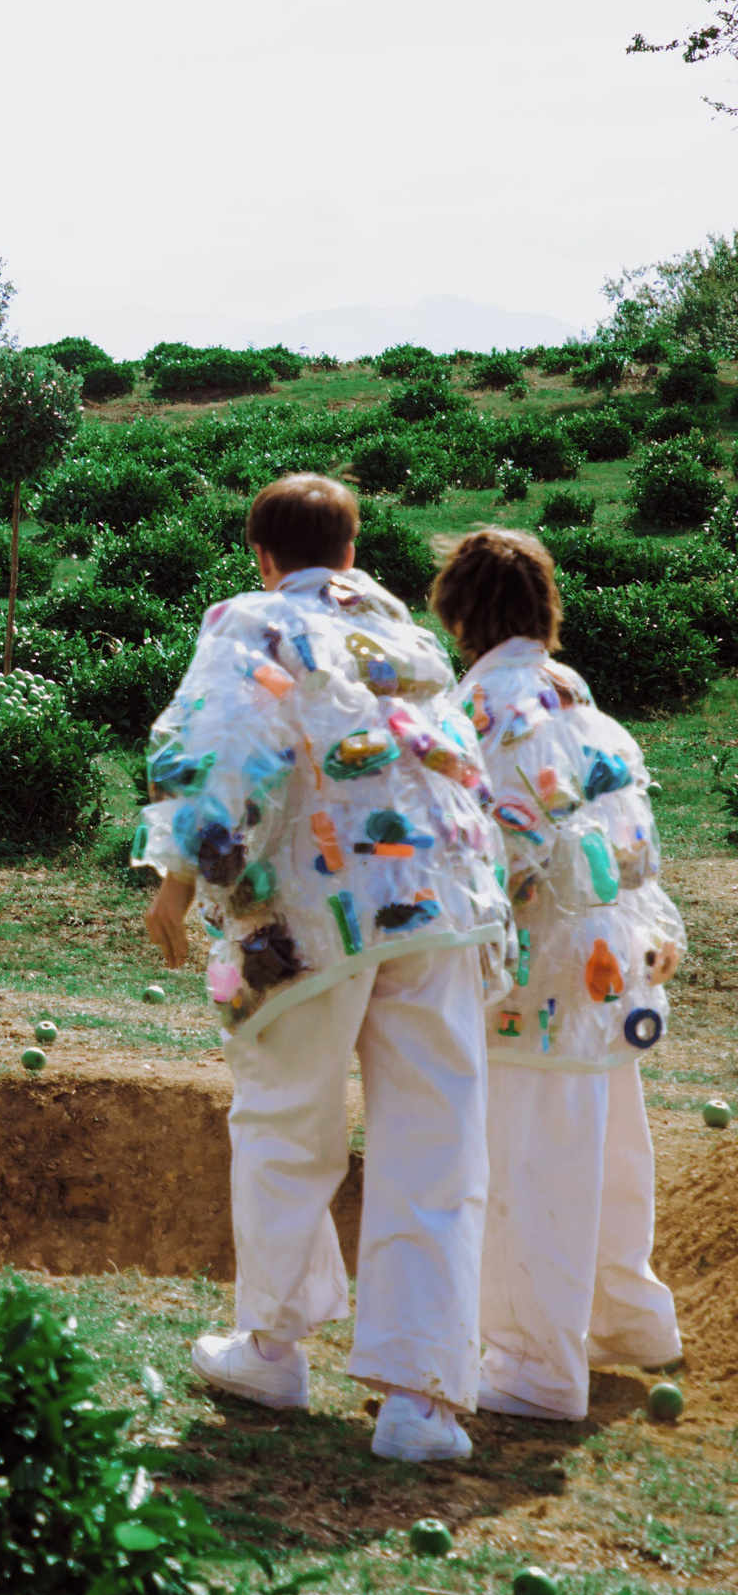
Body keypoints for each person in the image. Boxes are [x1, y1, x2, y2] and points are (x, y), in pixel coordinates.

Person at [135, 475, 513, 1463]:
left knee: (283, 1122)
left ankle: (271, 1344)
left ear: (261, 555)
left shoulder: (252, 620)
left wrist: (176, 878)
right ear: (349, 553)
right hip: (439, 908)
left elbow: (219, 743)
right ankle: (421, 1400)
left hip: (315, 913)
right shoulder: (405, 636)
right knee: (435, 1143)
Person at [434, 528, 684, 1420]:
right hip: (613, 959)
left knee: (531, 1164)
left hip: (535, 971)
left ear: (459, 609)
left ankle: (538, 1362)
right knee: (611, 1144)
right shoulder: (573, 691)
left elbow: (490, 849)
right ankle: (629, 1321)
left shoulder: (480, 705)